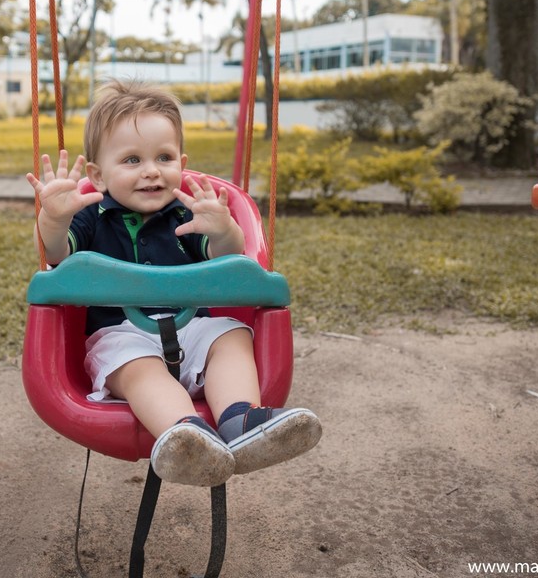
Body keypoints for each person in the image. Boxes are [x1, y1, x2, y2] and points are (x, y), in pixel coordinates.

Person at [26, 79, 321, 487]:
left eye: (163, 157)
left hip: (193, 330)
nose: (151, 171)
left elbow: (231, 258)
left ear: (181, 162)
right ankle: (186, 437)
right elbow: (56, 253)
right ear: (98, 175)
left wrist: (222, 229)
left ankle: (240, 421)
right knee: (139, 370)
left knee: (231, 336)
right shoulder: (91, 215)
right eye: (131, 160)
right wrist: (54, 218)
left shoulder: (187, 212)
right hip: (121, 336)